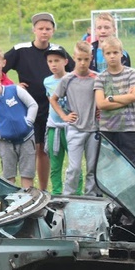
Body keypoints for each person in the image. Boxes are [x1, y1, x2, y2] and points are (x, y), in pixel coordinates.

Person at [4, 12, 75, 191]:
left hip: (52, 108)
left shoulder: (58, 50)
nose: (44, 32)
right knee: (31, 150)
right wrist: (13, 86)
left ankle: (43, 190)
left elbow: (76, 72)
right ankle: (28, 189)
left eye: (48, 29)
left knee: (45, 151)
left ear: (53, 31)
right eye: (41, 28)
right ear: (34, 30)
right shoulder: (21, 50)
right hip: (28, 108)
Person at [51, 41, 98, 196]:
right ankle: (68, 197)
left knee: (92, 167)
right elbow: (54, 99)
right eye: (79, 59)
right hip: (75, 129)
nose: (83, 63)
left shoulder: (97, 78)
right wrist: (64, 116)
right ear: (74, 58)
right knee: (74, 167)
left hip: (93, 130)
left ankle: (91, 196)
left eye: (86, 59)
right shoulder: (68, 79)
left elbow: (101, 99)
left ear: (91, 58)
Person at [0, 68, 38, 189]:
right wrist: (0, 134)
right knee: (8, 175)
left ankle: (27, 201)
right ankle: (11, 203)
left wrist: (28, 121)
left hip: (27, 139)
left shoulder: (15, 90)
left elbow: (32, 105)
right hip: (6, 143)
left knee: (27, 173)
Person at [94, 37, 135, 169]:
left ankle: (134, 191)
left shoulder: (132, 73)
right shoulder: (100, 77)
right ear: (103, 55)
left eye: (115, 52)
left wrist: (110, 98)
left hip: (128, 127)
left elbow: (134, 96)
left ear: (122, 53)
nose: (112, 56)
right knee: (109, 166)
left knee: (131, 165)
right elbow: (101, 104)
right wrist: (125, 98)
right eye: (108, 53)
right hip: (108, 128)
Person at [44, 46, 79, 195]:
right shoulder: (46, 81)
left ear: (65, 61)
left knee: (75, 164)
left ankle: (77, 193)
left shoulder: (73, 78)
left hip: (71, 127)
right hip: (54, 126)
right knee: (55, 164)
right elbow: (50, 101)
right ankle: (57, 193)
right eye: (50, 61)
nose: (53, 64)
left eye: (57, 61)